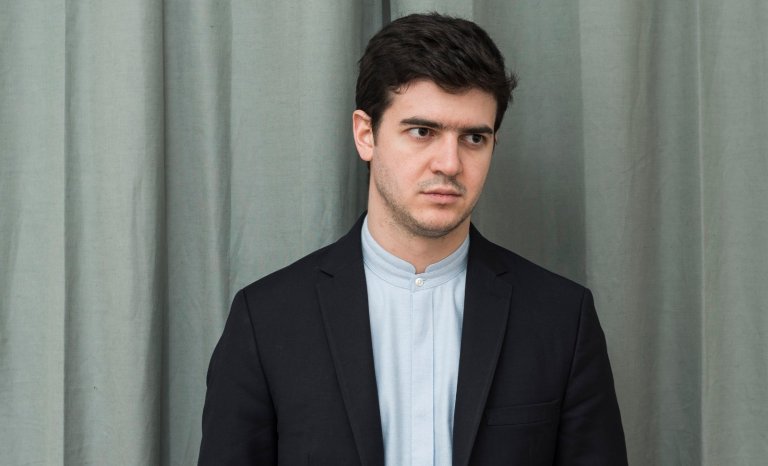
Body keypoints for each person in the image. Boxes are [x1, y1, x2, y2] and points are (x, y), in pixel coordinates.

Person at [198, 13, 627, 466]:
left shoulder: (562, 319)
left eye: (473, 138)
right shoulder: (267, 320)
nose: (450, 163)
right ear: (366, 134)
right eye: (423, 131)